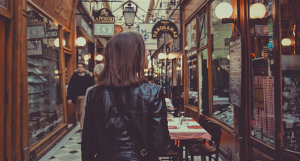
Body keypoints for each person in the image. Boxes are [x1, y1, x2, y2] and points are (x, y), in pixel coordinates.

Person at [82, 32, 170, 161]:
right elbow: (160, 146)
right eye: (144, 50)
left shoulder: (94, 94)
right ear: (134, 56)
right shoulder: (153, 92)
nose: (147, 54)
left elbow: (88, 143)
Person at [67, 62, 94, 131]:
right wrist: (69, 98)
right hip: (76, 97)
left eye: (81, 67)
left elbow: (91, 87)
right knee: (78, 112)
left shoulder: (88, 77)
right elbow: (70, 87)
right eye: (78, 67)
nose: (80, 68)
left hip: (84, 96)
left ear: (84, 68)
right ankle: (82, 125)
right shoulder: (74, 77)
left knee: (82, 112)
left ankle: (82, 127)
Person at [81, 63, 105, 130]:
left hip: (95, 128)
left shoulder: (90, 91)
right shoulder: (113, 89)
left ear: (94, 74)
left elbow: (85, 113)